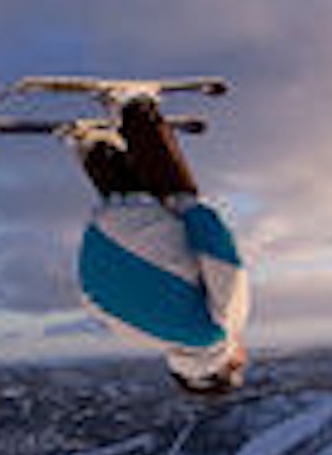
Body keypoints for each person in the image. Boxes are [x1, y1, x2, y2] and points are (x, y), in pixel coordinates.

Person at [69, 96, 250, 394]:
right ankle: (95, 148)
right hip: (100, 237)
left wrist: (194, 208)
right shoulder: (145, 338)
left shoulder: (218, 331)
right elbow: (95, 302)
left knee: (178, 198)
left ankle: (136, 111)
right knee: (143, 226)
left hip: (139, 232)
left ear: (225, 365)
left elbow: (223, 261)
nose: (244, 356)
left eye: (240, 364)